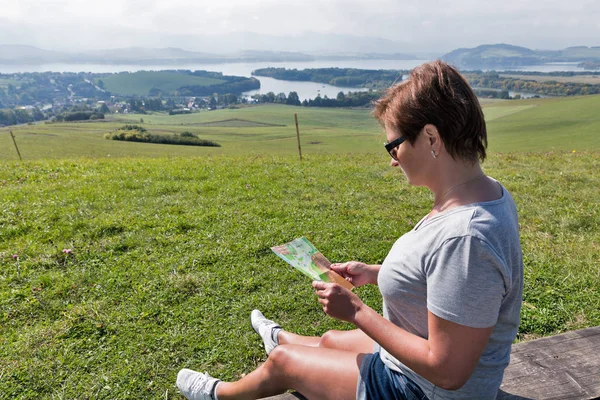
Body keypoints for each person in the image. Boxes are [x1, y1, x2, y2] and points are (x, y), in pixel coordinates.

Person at [176, 60, 523, 400]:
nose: (392, 158)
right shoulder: (482, 194)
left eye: (394, 145)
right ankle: (280, 338)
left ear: (431, 137)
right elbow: (450, 282)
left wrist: (357, 312)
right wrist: (374, 273)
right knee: (329, 340)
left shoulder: (465, 235)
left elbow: (448, 370)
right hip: (417, 367)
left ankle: (220, 393)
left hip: (418, 390)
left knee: (285, 365)